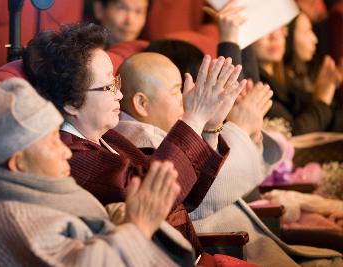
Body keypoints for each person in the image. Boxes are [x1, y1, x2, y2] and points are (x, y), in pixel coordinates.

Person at [23, 22, 247, 257]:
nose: (120, 94)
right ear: (71, 103)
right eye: (109, 86)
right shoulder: (70, 156)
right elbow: (153, 193)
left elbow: (185, 198)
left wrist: (210, 128)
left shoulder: (109, 136)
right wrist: (195, 116)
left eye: (116, 82)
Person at [115, 51, 343, 267]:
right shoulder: (138, 142)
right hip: (227, 248)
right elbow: (200, 197)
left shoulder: (162, 132)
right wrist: (240, 128)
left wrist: (218, 127)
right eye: (176, 91)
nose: (186, 101)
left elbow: (201, 176)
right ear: (142, 104)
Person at [0, 78, 197, 267]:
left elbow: (92, 227)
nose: (66, 151)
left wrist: (122, 214)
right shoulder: (12, 223)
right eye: (53, 143)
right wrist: (138, 226)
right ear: (19, 163)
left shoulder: (39, 191)